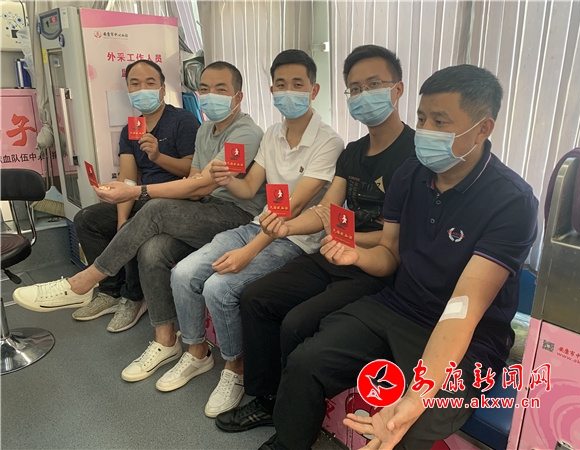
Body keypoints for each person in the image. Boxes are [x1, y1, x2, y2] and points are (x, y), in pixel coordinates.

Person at [258, 64, 539, 450]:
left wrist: (415, 397)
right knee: (307, 361)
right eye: (421, 118)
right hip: (399, 306)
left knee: (410, 422)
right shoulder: (411, 173)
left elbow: (464, 309)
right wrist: (357, 256)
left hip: (470, 335)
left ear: (482, 129)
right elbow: (389, 253)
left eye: (440, 121)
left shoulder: (512, 201)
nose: (425, 130)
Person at [13, 61, 265, 382]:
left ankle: (85, 282)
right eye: (204, 89)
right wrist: (136, 201)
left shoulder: (245, 132)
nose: (210, 95)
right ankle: (166, 340)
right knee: (152, 249)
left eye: (220, 89)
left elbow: (199, 186)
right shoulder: (205, 129)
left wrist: (141, 191)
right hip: (202, 210)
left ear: (238, 96)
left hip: (236, 217)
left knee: (155, 209)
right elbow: (193, 181)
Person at [215, 45, 416, 433]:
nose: (363, 95)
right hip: (333, 251)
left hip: (377, 266)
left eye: (373, 84)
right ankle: (267, 398)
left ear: (398, 89)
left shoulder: (414, 156)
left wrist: (350, 239)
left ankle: (293, 420)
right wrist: (288, 227)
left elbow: (398, 239)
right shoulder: (353, 152)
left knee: (296, 322)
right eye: (355, 88)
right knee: (256, 298)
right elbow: (326, 210)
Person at [162, 49, 344, 419]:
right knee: (183, 273)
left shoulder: (329, 141)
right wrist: (227, 179)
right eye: (281, 84)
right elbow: (249, 190)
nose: (288, 92)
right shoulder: (272, 134)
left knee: (219, 287)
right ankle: (196, 352)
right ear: (271, 90)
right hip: (256, 226)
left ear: (314, 90)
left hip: (295, 240)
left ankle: (235, 368)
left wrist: (249, 252)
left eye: (297, 84)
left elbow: (293, 206)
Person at [72, 59, 200, 332]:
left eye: (150, 83)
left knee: (134, 224)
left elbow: (192, 171)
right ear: (128, 90)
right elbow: (128, 177)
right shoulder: (131, 128)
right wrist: (121, 219)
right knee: (87, 219)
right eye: (135, 84)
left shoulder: (183, 121)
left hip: (174, 200)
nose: (142, 89)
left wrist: (158, 155)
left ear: (162, 89)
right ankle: (110, 291)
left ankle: (134, 297)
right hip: (140, 196)